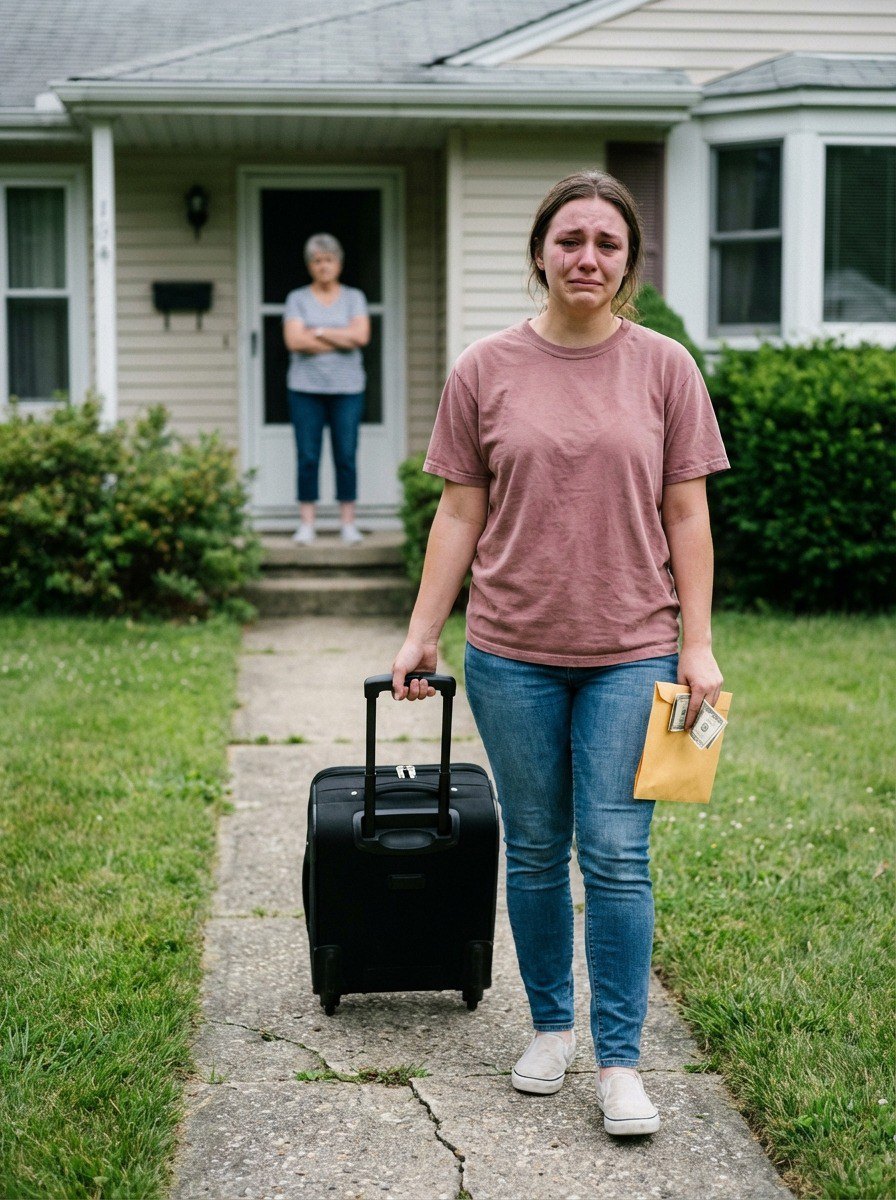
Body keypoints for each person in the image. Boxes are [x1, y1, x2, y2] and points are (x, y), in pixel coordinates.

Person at [390, 171, 729, 1137]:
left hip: (632, 648)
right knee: (536, 850)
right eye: (570, 239)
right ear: (540, 251)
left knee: (617, 856)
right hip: (511, 653)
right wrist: (423, 630)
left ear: (629, 261)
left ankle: (620, 1060)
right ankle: (550, 1026)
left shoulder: (665, 367)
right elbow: (459, 510)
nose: (588, 257)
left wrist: (695, 645)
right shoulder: (484, 369)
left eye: (607, 244)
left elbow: (687, 513)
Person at [283, 233, 371, 545]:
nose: (324, 266)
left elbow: (360, 337)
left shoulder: (354, 298)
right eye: (317, 260)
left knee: (345, 454)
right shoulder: (297, 299)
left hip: (347, 388)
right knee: (308, 455)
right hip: (304, 388)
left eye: (329, 260)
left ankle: (348, 522)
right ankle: (307, 523)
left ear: (339, 264)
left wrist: (317, 331)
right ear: (310, 266)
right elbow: (294, 341)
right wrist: (339, 336)